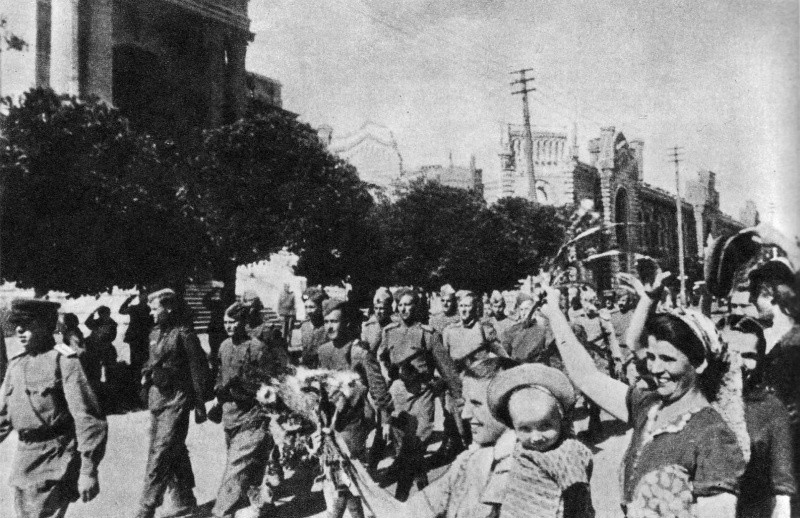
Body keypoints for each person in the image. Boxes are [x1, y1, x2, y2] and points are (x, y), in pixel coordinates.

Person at [545, 271, 748, 517]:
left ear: (700, 363)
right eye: (651, 357)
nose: (655, 368)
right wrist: (554, 310)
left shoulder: (714, 434)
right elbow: (586, 377)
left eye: (668, 359)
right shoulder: (649, 405)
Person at [351, 357, 520, 518]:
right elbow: (410, 512)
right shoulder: (469, 462)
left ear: (510, 406)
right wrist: (360, 482)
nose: (466, 414)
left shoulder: (523, 468)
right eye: (465, 403)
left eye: (476, 404)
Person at [0, 299, 108, 518]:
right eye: (17, 323)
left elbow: (87, 417)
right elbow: (4, 417)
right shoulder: (16, 365)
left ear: (46, 325)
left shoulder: (64, 361)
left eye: (27, 324)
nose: (19, 329)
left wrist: (88, 470)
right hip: (24, 461)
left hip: (55, 458)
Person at [376, 288, 463, 500]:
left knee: (420, 438)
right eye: (401, 305)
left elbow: (447, 368)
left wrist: (457, 395)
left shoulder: (428, 334)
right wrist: (390, 373)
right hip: (399, 392)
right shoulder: (389, 332)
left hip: (422, 392)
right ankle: (419, 483)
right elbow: (382, 358)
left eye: (408, 304)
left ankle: (405, 492)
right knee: (403, 445)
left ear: (416, 307)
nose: (404, 309)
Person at [135, 288, 211, 518]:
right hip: (157, 399)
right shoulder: (154, 332)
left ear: (169, 308)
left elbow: (198, 370)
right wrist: (146, 374)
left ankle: (146, 507)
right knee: (172, 448)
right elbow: (151, 361)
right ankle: (184, 499)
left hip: (177, 399)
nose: (151, 313)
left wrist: (200, 403)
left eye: (155, 308)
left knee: (161, 451)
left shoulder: (185, 334)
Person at [208, 302, 287, 518]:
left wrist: (246, 390)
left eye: (233, 322)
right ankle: (261, 507)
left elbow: (270, 384)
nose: (229, 326)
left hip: (252, 418)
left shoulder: (257, 348)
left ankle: (221, 513)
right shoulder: (224, 346)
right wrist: (218, 395)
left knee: (235, 471)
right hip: (230, 417)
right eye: (226, 322)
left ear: (243, 323)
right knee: (248, 470)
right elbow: (219, 374)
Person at [487, 363, 594, 518]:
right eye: (525, 429)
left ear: (560, 419)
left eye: (545, 426)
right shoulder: (518, 447)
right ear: (513, 427)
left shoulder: (567, 453)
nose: (536, 437)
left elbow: (578, 497)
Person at [317, 299, 391, 518]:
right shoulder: (324, 351)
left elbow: (378, 387)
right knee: (342, 478)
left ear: (347, 323)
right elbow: (320, 386)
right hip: (330, 423)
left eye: (334, 321)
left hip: (353, 422)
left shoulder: (359, 352)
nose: (329, 326)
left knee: (345, 475)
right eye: (326, 321)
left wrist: (386, 420)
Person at [720, 315, 796, 518]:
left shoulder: (771, 408)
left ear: (761, 359)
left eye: (749, 356)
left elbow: (781, 485)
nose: (739, 363)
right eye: (731, 353)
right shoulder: (700, 398)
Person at [748, 259, 800, 515]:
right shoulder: (773, 340)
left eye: (754, 294)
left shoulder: (791, 344)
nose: (751, 301)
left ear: (769, 293)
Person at [441, 290, 507, 455]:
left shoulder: (484, 329)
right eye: (461, 306)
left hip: (478, 385)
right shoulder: (449, 331)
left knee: (478, 423)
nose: (464, 310)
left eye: (468, 306)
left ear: (475, 308)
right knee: (459, 424)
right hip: (457, 385)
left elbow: (501, 354)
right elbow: (444, 362)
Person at [570, 286, 624, 438]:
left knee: (597, 391)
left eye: (591, 301)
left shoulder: (602, 318)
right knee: (586, 392)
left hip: (600, 359)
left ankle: (595, 424)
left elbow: (611, 339)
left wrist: (617, 358)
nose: (588, 305)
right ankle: (595, 422)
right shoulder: (576, 319)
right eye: (585, 301)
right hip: (584, 359)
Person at [360, 287, 396, 470]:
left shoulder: (396, 325)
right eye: (376, 308)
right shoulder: (368, 327)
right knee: (373, 416)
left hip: (392, 376)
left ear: (390, 307)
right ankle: (374, 455)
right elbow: (364, 354)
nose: (380, 311)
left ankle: (379, 456)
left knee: (389, 418)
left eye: (383, 308)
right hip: (374, 377)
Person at [120, 290, 153, 387]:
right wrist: (129, 300)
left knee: (139, 359)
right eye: (144, 297)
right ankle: (138, 380)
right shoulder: (138, 308)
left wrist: (129, 300)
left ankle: (139, 380)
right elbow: (121, 311)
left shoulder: (142, 308)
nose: (145, 299)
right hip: (139, 337)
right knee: (139, 359)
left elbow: (121, 310)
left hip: (139, 337)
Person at [202, 286, 228, 380]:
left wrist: (213, 291)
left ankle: (217, 372)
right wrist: (214, 291)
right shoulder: (219, 303)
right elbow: (205, 301)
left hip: (219, 330)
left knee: (219, 351)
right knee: (215, 351)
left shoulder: (220, 303)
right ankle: (216, 372)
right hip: (216, 330)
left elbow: (205, 301)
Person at [300, 287, 329, 368]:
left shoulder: (327, 327)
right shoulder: (304, 326)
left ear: (320, 308)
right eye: (306, 307)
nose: (308, 311)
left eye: (312, 307)